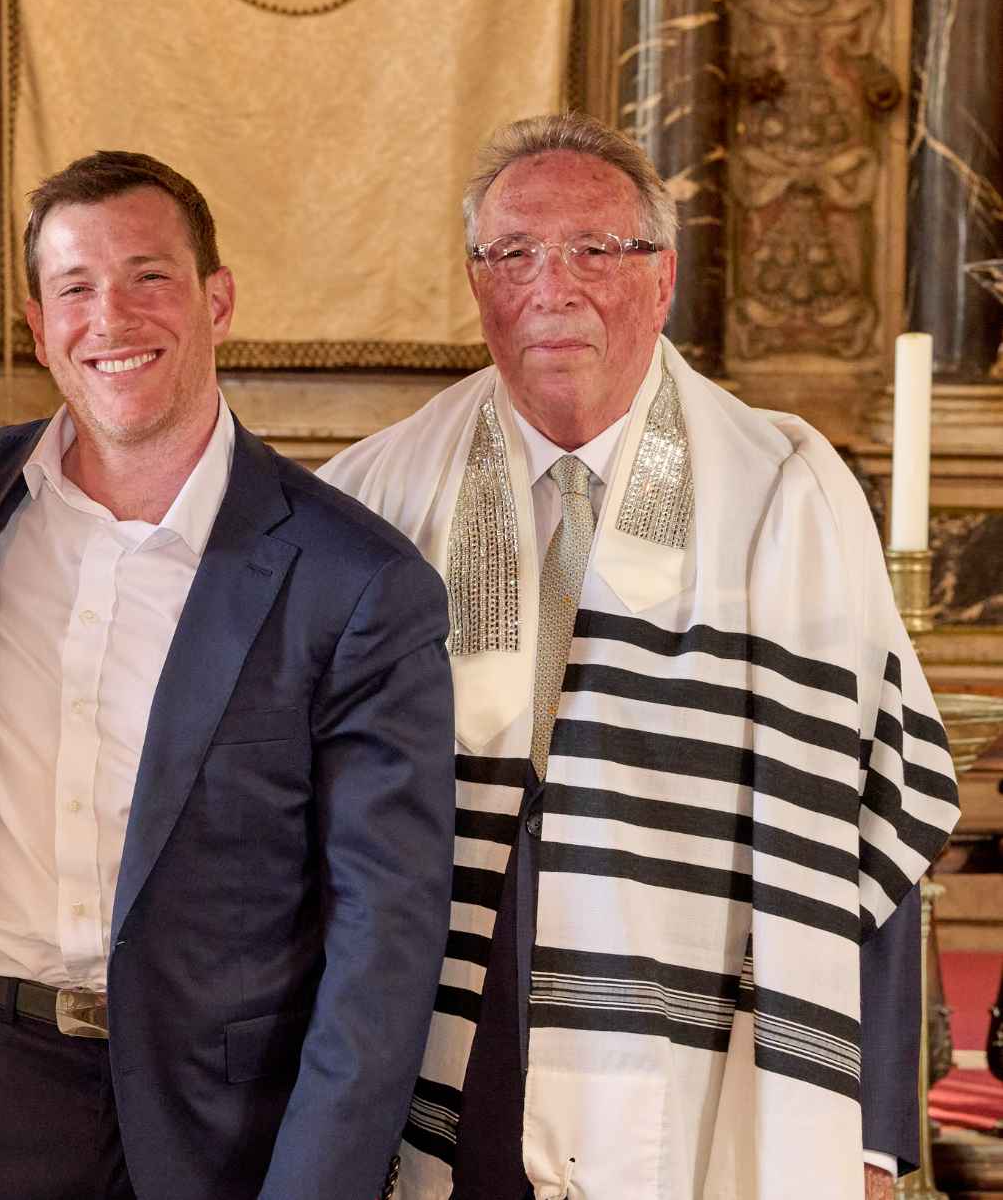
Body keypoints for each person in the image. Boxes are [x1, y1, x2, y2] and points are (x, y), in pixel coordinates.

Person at [319, 112, 961, 1200]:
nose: (552, 287)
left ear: (663, 277)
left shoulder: (785, 497)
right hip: (451, 1017)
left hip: (693, 1023)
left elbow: (870, 813)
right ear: (476, 284)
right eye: (513, 253)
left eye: (594, 250)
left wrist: (871, 1138)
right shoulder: (375, 493)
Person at [0, 150, 456, 1200]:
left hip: (228, 1125)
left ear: (218, 300)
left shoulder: (356, 581)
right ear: (37, 326)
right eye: (76, 287)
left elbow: (382, 947)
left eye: (149, 276)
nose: (111, 317)